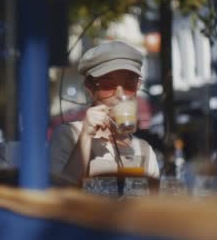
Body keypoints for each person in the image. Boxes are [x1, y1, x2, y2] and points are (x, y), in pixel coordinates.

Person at [50, 41, 160, 184]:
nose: (120, 94)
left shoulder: (143, 149)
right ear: (90, 88)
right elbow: (59, 194)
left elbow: (154, 202)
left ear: (138, 86)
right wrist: (85, 137)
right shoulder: (69, 135)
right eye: (107, 85)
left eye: (129, 85)